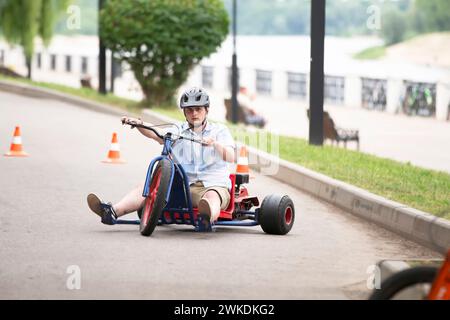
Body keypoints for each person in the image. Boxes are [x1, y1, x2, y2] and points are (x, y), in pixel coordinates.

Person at [87, 87, 236, 225]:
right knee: (147, 186)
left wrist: (215, 144)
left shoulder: (219, 130)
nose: (194, 114)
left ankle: (206, 219)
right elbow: (156, 135)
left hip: (212, 184)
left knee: (211, 197)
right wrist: (139, 124)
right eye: (189, 110)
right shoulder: (178, 129)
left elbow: (230, 156)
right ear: (184, 112)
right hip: (184, 188)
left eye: (198, 109)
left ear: (207, 110)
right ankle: (112, 212)